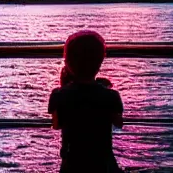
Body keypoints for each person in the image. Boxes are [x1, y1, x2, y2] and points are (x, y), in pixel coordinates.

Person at [48, 30, 123, 172]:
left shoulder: (59, 95)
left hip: (72, 163)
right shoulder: (110, 96)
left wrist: (64, 86)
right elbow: (118, 123)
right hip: (102, 163)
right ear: (100, 61)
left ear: (68, 62)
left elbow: (57, 125)